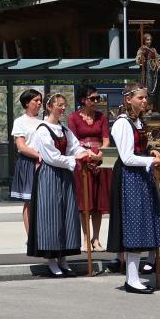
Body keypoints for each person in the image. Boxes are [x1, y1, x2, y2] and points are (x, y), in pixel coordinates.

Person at [106, 83, 160, 294]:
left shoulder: (137, 122)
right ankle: (131, 278)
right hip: (130, 177)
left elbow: (140, 147)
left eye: (146, 98)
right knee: (134, 226)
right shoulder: (122, 123)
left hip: (140, 176)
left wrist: (152, 151)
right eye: (140, 98)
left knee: (140, 225)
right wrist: (157, 160)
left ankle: (134, 276)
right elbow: (127, 157)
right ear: (128, 99)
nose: (145, 101)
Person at [28, 94, 98, 277]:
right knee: (50, 216)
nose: (62, 108)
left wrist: (87, 153)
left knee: (66, 214)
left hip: (65, 175)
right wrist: (75, 159)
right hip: (49, 175)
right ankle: (52, 259)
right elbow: (51, 157)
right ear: (49, 107)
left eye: (64, 105)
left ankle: (63, 258)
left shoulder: (64, 129)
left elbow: (75, 146)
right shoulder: (42, 130)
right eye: (59, 105)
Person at [67, 84, 111, 250]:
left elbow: (106, 139)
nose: (95, 101)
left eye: (97, 98)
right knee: (85, 201)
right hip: (82, 161)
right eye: (92, 98)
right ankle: (85, 238)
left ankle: (96, 238)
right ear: (83, 100)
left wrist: (100, 153)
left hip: (99, 160)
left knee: (99, 202)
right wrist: (87, 153)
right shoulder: (73, 118)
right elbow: (73, 141)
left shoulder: (102, 117)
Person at [9, 90, 43, 235]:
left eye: (40, 100)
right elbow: (21, 146)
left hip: (44, 163)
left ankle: (42, 234)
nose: (39, 103)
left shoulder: (44, 122)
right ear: (27, 103)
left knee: (43, 199)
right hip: (29, 163)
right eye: (36, 100)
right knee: (29, 200)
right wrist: (39, 155)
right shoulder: (19, 122)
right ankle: (31, 237)